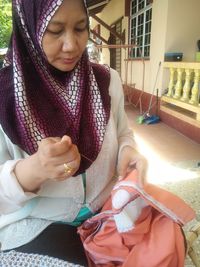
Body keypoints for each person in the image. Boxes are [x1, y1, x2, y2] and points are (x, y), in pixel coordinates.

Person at [0, 0, 147, 265]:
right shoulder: (5, 96)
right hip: (37, 221)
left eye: (80, 28)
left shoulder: (107, 80)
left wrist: (128, 151)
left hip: (107, 211)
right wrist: (35, 169)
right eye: (55, 31)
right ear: (28, 27)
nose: (71, 45)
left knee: (164, 246)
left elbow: (124, 132)